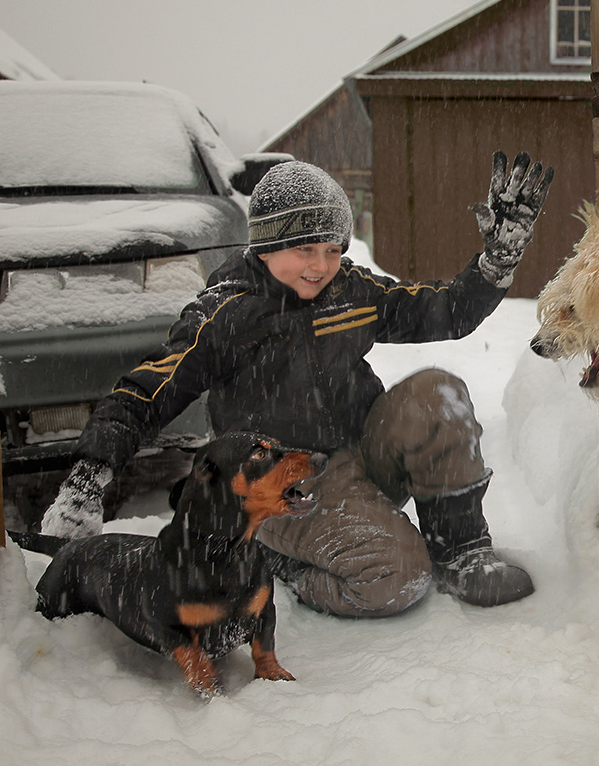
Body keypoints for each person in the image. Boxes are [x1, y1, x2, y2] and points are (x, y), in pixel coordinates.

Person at [40, 152, 554, 616]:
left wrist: (496, 263)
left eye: (333, 249)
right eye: (305, 248)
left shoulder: (349, 288)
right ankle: (281, 559)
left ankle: (460, 551)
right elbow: (147, 390)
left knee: (437, 393)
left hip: (360, 456)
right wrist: (90, 472)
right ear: (265, 244)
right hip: (285, 484)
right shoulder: (226, 312)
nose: (321, 266)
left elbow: (444, 311)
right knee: (397, 577)